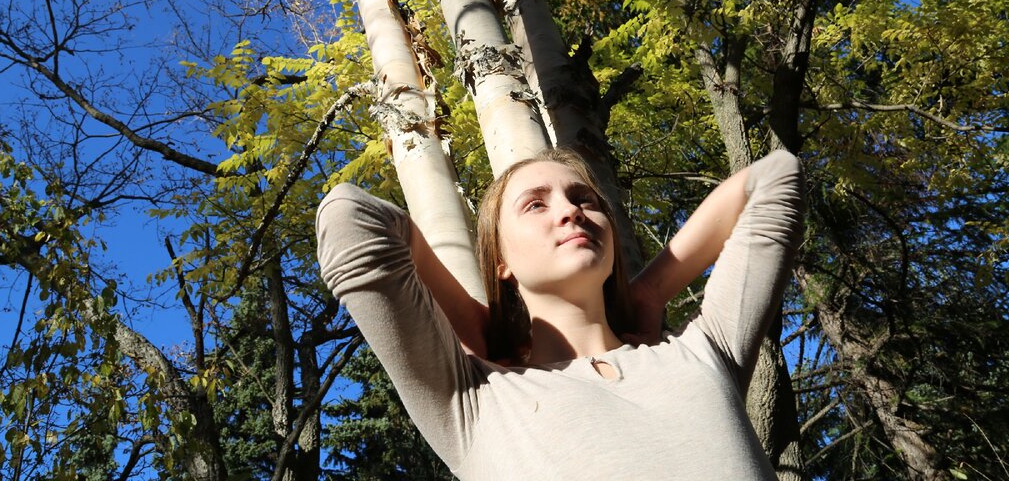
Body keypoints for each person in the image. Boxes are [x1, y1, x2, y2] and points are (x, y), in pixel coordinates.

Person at [317, 148, 804, 480]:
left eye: (583, 199)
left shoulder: (703, 353)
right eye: (534, 205)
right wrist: (475, 322)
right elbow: (349, 216)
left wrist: (650, 292)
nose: (570, 211)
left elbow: (775, 175)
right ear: (500, 261)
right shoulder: (474, 400)